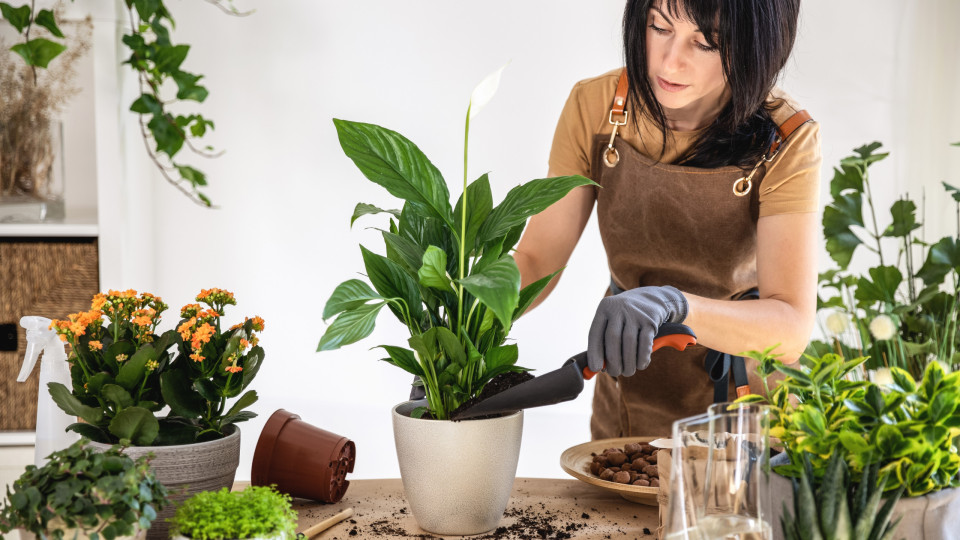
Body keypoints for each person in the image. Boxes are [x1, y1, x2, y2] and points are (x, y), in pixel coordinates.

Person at [512, 0, 821, 437]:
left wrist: (676, 305)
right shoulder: (596, 106)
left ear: (757, 47)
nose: (670, 60)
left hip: (744, 407)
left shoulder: (785, 139)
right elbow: (537, 260)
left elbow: (790, 326)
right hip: (630, 384)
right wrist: (464, 321)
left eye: (705, 43)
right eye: (659, 27)